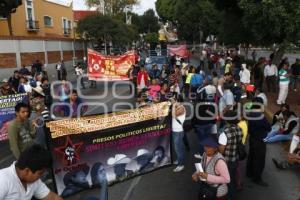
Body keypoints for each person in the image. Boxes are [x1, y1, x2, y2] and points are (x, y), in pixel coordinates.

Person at [246, 98, 271, 187]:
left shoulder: (250, 113)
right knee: (259, 159)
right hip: (260, 139)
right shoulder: (261, 116)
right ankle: (257, 178)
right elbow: (268, 128)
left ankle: (249, 172)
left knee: (251, 156)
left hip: (252, 137)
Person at [218, 110, 242, 200]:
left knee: (228, 181)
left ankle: (231, 196)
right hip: (235, 158)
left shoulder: (224, 133)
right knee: (233, 177)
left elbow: (221, 150)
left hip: (227, 161)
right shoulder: (239, 129)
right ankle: (233, 192)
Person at [171, 95, 186, 172]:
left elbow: (173, 115)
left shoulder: (181, 108)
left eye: (174, 99)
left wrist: (173, 106)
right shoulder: (178, 106)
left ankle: (181, 165)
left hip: (178, 131)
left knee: (178, 148)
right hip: (175, 131)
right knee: (179, 147)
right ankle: (179, 159)